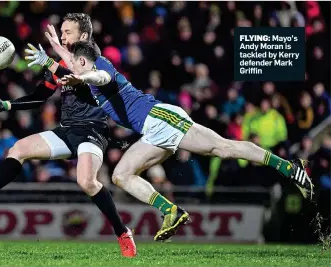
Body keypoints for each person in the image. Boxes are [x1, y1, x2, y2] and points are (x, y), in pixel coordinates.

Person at [46, 40, 314, 241]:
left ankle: (290, 168)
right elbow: (76, 62)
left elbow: (97, 76)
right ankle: (171, 211)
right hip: (153, 129)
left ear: (82, 62)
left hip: (160, 119)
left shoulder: (99, 69)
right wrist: (56, 47)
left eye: (74, 63)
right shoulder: (85, 65)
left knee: (224, 148)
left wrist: (81, 76)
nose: (70, 67)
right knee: (122, 175)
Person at [0, 13, 136, 258]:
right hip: (67, 130)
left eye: (67, 32)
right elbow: (40, 97)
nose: (62, 36)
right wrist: (6, 105)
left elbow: (80, 76)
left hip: (92, 129)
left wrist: (49, 62)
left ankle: (122, 233)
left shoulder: (92, 55)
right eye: (62, 32)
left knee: (87, 182)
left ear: (83, 36)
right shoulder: (59, 62)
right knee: (18, 149)